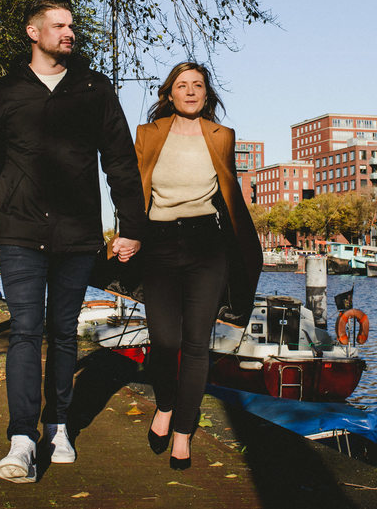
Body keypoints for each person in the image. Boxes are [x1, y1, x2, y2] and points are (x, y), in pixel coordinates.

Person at [0, 0, 146, 483]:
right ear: (33, 31)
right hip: (19, 231)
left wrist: (130, 227)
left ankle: (59, 425)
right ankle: (22, 437)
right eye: (59, 25)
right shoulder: (5, 92)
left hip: (76, 233)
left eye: (73, 25)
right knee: (25, 330)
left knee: (63, 332)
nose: (69, 32)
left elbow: (120, 161)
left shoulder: (93, 88)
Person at [134, 62, 262, 470]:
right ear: (168, 93)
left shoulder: (222, 136)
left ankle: (184, 433)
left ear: (207, 94)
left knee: (195, 344)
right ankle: (166, 405)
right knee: (165, 340)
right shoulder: (148, 134)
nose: (190, 92)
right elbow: (132, 185)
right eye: (182, 86)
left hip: (208, 244)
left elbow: (228, 190)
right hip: (158, 242)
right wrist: (126, 232)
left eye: (198, 86)